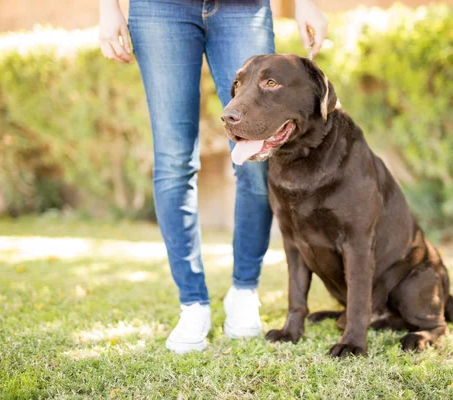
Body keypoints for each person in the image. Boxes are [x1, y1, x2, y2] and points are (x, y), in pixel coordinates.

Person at [98, 0, 328, 353]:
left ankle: (244, 292)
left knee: (256, 156)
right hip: (160, 9)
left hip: (242, 8)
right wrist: (107, 7)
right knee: (174, 160)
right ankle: (193, 305)